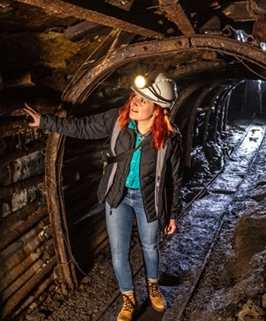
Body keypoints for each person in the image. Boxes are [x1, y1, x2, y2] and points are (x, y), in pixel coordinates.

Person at [24, 73, 182, 320]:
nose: (134, 104)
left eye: (143, 101)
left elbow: (174, 178)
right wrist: (45, 122)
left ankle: (153, 287)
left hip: (148, 201)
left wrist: (172, 213)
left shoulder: (169, 140)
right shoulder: (117, 120)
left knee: (150, 246)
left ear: (158, 110)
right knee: (119, 252)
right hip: (117, 196)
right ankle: (128, 299)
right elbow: (83, 127)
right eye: (135, 98)